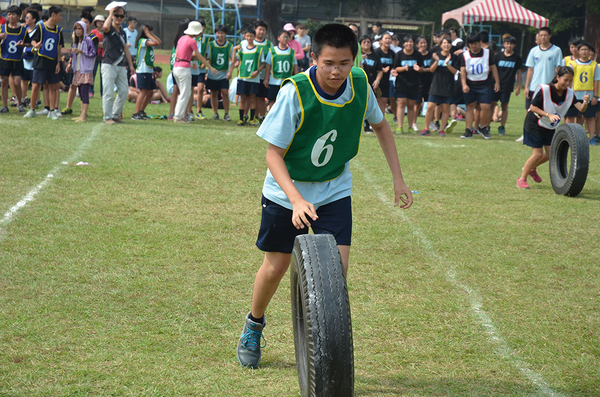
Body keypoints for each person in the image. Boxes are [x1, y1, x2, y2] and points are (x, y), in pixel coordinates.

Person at [235, 23, 413, 369]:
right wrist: (297, 200)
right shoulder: (295, 92)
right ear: (314, 57)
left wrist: (399, 180)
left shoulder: (360, 83)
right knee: (276, 266)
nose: (336, 71)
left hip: (333, 189)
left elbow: (381, 126)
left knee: (336, 271)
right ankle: (253, 324)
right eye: (329, 62)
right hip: (287, 193)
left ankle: (319, 341)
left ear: (354, 60)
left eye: (344, 63)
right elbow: (273, 154)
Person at [517, 67, 589, 189]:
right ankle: (521, 179)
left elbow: (581, 109)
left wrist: (585, 102)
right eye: (565, 80)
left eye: (570, 81)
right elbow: (533, 107)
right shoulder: (546, 90)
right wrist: (548, 115)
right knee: (538, 154)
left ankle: (532, 168)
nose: (568, 84)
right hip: (535, 122)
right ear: (558, 78)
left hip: (549, 126)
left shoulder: (569, 94)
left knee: (551, 154)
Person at [23, 6, 64, 120]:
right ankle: (32, 109)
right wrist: (35, 45)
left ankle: (52, 110)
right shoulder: (41, 27)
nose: (61, 18)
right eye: (60, 15)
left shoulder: (58, 30)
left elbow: (59, 48)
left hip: (52, 61)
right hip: (40, 60)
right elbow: (33, 40)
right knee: (36, 85)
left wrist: (58, 63)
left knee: (53, 86)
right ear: (53, 15)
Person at [172, 20, 215, 123]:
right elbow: (199, 56)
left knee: (183, 93)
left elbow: (178, 54)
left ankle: (179, 115)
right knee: (185, 93)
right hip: (184, 68)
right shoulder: (192, 41)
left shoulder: (181, 38)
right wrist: (210, 67)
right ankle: (178, 117)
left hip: (176, 67)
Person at [459, 32, 500, 139]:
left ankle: (483, 127)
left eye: (476, 43)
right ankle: (468, 130)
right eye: (471, 44)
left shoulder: (488, 52)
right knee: (470, 107)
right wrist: (464, 84)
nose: (474, 46)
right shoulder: (464, 55)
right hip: (470, 84)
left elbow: (494, 67)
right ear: (468, 44)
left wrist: (497, 82)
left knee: (486, 107)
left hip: (485, 84)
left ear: (480, 42)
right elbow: (462, 71)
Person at [100, 6, 135, 125]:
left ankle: (115, 115)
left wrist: (131, 65)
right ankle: (107, 117)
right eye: (116, 15)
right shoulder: (109, 29)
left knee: (124, 91)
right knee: (108, 92)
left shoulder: (123, 32)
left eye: (121, 16)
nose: (119, 18)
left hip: (121, 65)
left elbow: (126, 49)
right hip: (109, 64)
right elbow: (105, 27)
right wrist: (110, 14)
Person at [420, 37, 458, 137]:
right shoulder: (436, 55)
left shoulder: (454, 57)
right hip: (435, 85)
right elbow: (431, 70)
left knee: (445, 109)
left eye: (448, 43)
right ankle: (426, 128)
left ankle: (442, 130)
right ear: (440, 45)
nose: (446, 45)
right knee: (430, 107)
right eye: (444, 43)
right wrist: (437, 61)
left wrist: (447, 64)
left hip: (448, 86)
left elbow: (455, 72)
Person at [567, 41, 599, 144]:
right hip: (575, 96)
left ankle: (592, 138)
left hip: (588, 96)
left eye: (586, 50)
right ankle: (578, 137)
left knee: (590, 117)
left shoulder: (594, 65)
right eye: (582, 50)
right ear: (578, 51)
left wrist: (595, 96)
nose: (584, 52)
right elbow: (569, 80)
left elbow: (596, 81)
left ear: (590, 51)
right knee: (576, 117)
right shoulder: (573, 64)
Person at [233, 28, 264, 126]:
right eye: (247, 36)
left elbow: (263, 63)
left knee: (252, 98)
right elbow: (236, 61)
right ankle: (241, 118)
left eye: (251, 36)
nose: (249, 38)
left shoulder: (259, 49)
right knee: (242, 98)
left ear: (254, 37)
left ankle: (251, 118)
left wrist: (258, 71)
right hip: (242, 77)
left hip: (254, 78)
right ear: (245, 37)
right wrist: (234, 52)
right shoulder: (242, 49)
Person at [393, 35, 423, 134]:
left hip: (414, 83)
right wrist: (403, 68)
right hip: (401, 83)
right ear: (403, 44)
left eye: (411, 42)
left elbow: (422, 68)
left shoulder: (418, 55)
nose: (409, 44)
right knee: (401, 103)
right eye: (407, 42)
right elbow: (395, 68)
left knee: (411, 105)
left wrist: (419, 69)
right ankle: (400, 127)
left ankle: (410, 126)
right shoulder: (399, 54)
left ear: (414, 43)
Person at [0, 6, 27, 113]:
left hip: (17, 60)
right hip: (4, 59)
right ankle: (5, 105)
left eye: (14, 14)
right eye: (9, 14)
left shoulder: (23, 30)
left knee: (16, 82)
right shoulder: (2, 28)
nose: (11, 16)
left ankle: (20, 103)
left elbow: (30, 43)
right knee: (4, 82)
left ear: (19, 17)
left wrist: (24, 44)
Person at [132, 24, 161, 120]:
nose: (151, 33)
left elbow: (159, 42)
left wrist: (151, 33)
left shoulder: (148, 40)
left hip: (148, 70)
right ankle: (136, 113)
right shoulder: (142, 41)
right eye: (149, 31)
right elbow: (156, 43)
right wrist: (148, 34)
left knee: (150, 92)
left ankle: (141, 111)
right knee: (143, 92)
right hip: (143, 70)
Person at [494, 35, 522, 136]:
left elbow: (519, 72)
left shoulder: (517, 57)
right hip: (496, 84)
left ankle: (502, 126)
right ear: (504, 44)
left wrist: (518, 86)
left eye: (511, 44)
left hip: (507, 85)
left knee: (504, 106)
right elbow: (494, 69)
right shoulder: (498, 56)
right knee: (492, 104)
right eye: (507, 43)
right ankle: (486, 126)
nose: (509, 45)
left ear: (514, 45)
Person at [68, 21, 95, 122]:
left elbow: (93, 53)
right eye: (75, 29)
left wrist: (82, 52)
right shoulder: (76, 42)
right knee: (80, 92)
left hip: (86, 70)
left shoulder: (88, 40)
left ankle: (84, 116)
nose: (77, 31)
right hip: (78, 69)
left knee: (84, 92)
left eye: (79, 28)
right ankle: (82, 114)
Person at [263, 29, 297, 106]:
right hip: (274, 81)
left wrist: (296, 79)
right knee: (273, 101)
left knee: (285, 101)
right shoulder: (272, 51)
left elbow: (295, 67)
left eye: (287, 37)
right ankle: (272, 117)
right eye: (284, 37)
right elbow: (268, 66)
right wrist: (266, 78)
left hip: (287, 81)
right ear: (279, 38)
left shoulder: (291, 52)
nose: (285, 39)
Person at [206, 24, 233, 121]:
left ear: (225, 34)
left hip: (223, 74)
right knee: (213, 93)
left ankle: (226, 113)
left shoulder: (229, 46)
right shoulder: (211, 45)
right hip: (213, 74)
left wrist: (231, 69)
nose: (220, 35)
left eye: (222, 33)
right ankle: (215, 113)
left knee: (225, 92)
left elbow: (234, 58)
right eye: (218, 33)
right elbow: (207, 58)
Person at [359, 34, 382, 132]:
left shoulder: (375, 55)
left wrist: (377, 80)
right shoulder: (356, 55)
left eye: (368, 42)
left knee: (371, 105)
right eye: (364, 42)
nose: (366, 44)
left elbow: (380, 70)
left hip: (371, 84)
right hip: (360, 83)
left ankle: (369, 125)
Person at [20, 9, 39, 107]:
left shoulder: (38, 30)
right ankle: (23, 98)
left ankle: (35, 100)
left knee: (35, 81)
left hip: (34, 59)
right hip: (25, 58)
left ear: (34, 19)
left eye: (28, 17)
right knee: (24, 80)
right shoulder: (24, 29)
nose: (25, 19)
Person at [373, 32, 394, 116]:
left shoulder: (392, 53)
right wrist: (382, 69)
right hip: (376, 80)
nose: (388, 40)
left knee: (384, 101)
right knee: (376, 101)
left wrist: (393, 70)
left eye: (389, 39)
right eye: (386, 38)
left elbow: (394, 65)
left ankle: (381, 121)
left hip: (386, 81)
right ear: (381, 41)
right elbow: (373, 66)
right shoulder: (376, 52)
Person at [90, 14, 105, 97]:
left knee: (103, 75)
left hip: (104, 55)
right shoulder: (93, 32)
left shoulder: (106, 32)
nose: (100, 23)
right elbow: (92, 43)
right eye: (98, 21)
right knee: (93, 73)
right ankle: (90, 91)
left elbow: (107, 44)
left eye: (101, 21)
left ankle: (102, 92)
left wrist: (98, 44)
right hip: (95, 55)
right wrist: (100, 44)